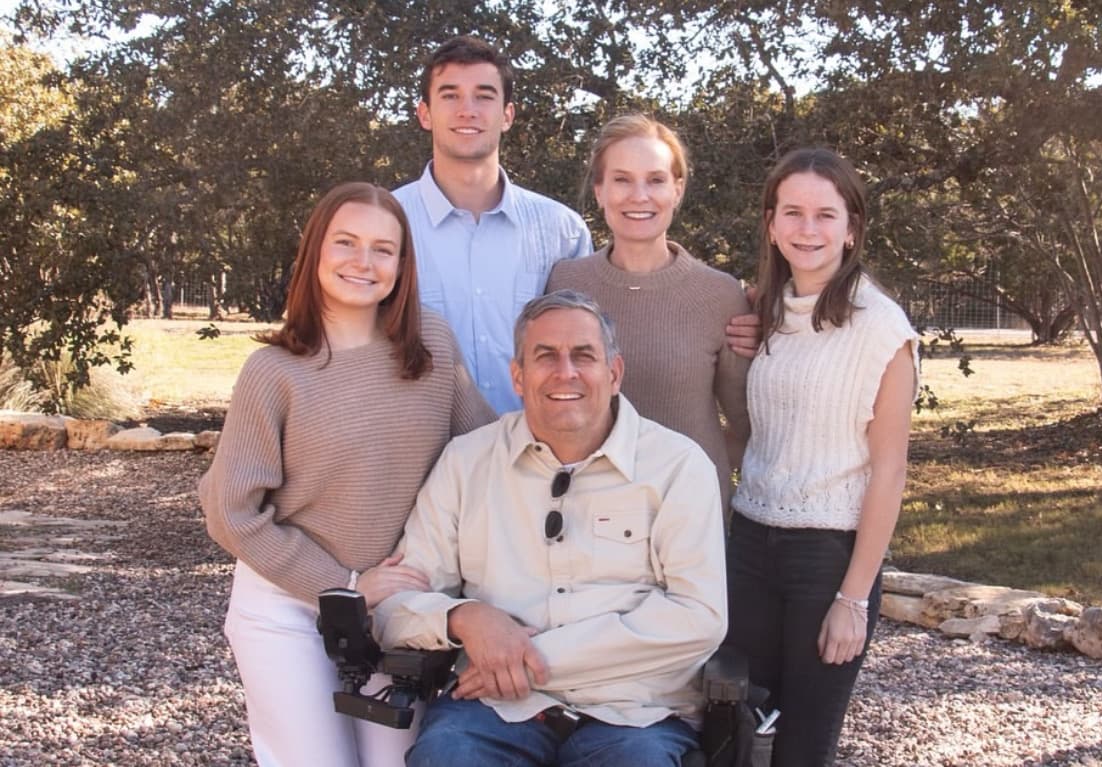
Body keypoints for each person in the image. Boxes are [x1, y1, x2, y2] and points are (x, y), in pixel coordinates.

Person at [199, 182, 496, 767]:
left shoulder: (430, 347)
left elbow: (486, 454)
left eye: (384, 249)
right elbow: (230, 512)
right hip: (288, 606)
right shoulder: (274, 371)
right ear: (315, 252)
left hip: (398, 606)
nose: (364, 262)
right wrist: (346, 584)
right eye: (346, 242)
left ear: (403, 264)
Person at [372, 289, 728, 767]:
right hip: (493, 711)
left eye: (584, 356)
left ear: (614, 373)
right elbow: (393, 607)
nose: (566, 373)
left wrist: (529, 658)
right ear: (517, 376)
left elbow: (699, 616)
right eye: (546, 357)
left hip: (635, 714)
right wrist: (464, 618)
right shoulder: (467, 463)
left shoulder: (677, 467)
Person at [724, 148, 919, 766]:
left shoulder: (882, 329)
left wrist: (852, 599)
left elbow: (889, 471)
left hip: (826, 560)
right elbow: (755, 429)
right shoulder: (766, 314)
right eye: (794, 213)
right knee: (736, 729)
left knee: (802, 748)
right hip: (748, 544)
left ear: (852, 227)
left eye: (826, 215)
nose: (809, 230)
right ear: (772, 223)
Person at [546, 114, 750, 514]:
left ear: (677, 190)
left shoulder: (720, 294)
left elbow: (746, 427)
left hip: (689, 521)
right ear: (600, 191)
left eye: (656, 180)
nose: (639, 195)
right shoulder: (565, 284)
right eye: (621, 180)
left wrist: (692, 477)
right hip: (584, 517)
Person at [392, 35, 592, 413]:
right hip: (423, 457)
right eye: (450, 95)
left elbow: (588, 346)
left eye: (484, 96)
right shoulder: (388, 224)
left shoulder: (562, 231)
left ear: (507, 115)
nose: (468, 110)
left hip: (535, 455)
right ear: (424, 114)